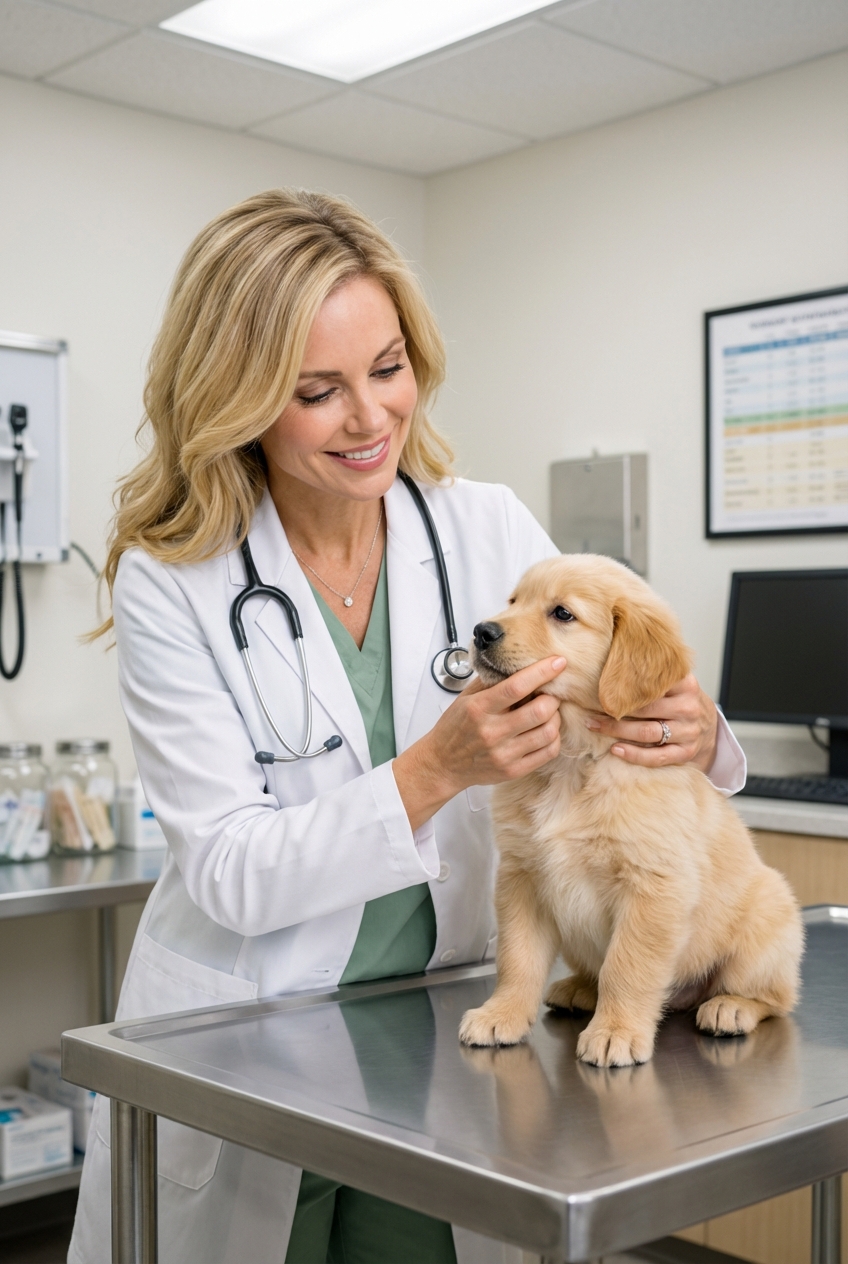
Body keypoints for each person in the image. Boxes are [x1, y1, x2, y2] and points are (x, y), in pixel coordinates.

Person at [68, 189, 745, 1264]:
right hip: (253, 1038)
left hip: (439, 1041)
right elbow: (233, 873)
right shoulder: (175, 579)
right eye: (315, 391)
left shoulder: (482, 525)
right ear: (237, 395)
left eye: (388, 369)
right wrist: (434, 768)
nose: (371, 417)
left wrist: (697, 733)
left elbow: (619, 690)